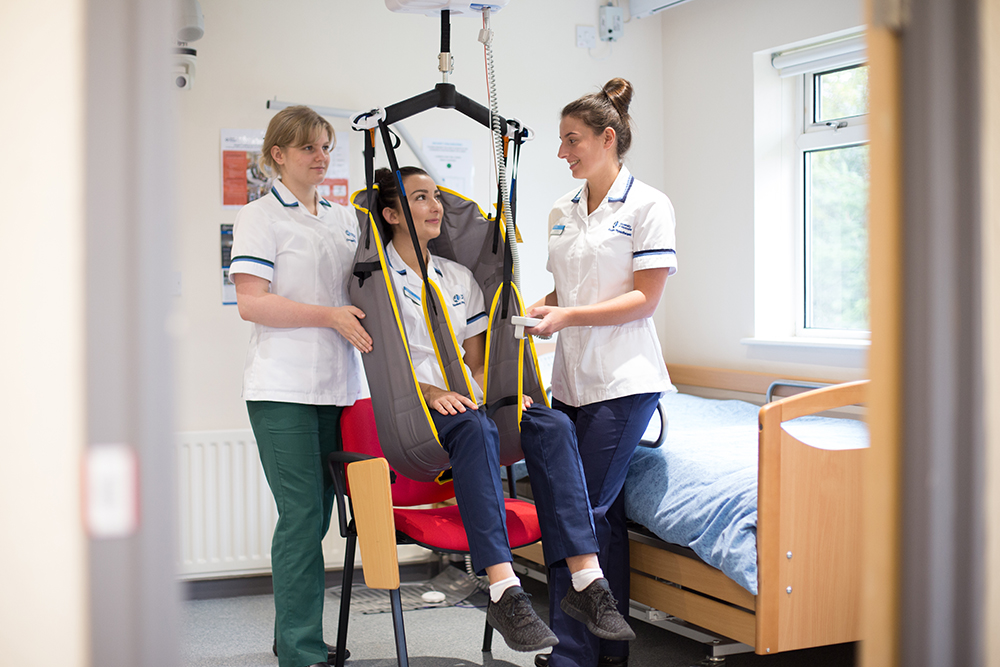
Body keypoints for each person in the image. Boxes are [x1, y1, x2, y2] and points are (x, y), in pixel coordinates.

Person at [373, 166, 636, 653]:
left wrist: (511, 396)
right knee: (473, 428)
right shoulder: (377, 282)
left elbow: (476, 361)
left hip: (467, 402)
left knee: (552, 422)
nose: (436, 207)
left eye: (436, 196)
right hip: (418, 412)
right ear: (389, 214)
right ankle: (503, 588)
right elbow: (391, 363)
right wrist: (428, 393)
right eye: (419, 199)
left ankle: (586, 579)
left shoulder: (458, 278)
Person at [527, 78, 677, 667]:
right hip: (571, 381)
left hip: (624, 379)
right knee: (600, 518)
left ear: (607, 138)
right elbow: (567, 289)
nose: (562, 153)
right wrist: (543, 306)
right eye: (561, 141)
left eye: (572, 140)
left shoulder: (648, 205)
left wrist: (566, 315)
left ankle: (569, 655)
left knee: (576, 511)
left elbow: (644, 299)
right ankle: (607, 654)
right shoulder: (561, 211)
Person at [229, 106, 373, 667]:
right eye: (309, 147)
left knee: (322, 512)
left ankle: (297, 637)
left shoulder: (344, 218)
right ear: (278, 156)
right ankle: (300, 650)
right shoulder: (259, 217)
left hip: (338, 387)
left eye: (325, 147)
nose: (321, 157)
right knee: (302, 517)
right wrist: (330, 316)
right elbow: (252, 302)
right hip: (282, 387)